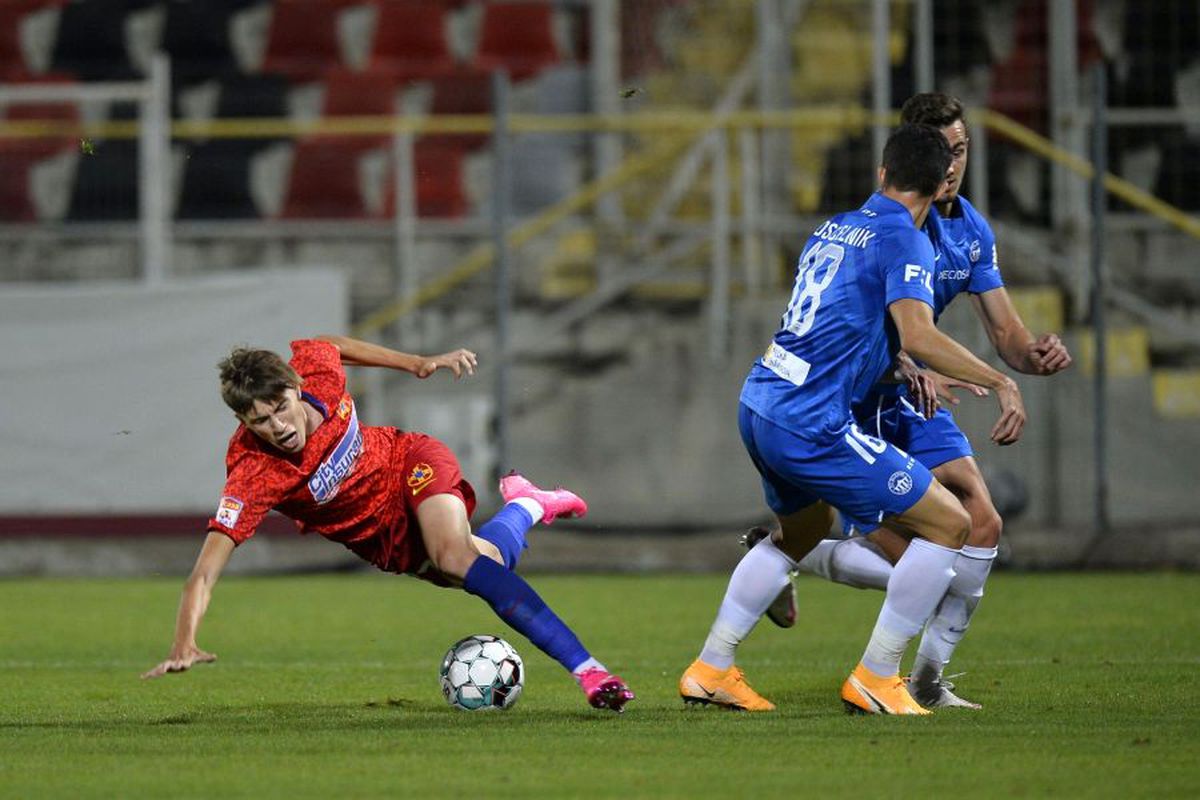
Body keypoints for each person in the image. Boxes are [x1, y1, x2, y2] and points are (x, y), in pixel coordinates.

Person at [679, 123, 1028, 715]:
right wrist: (999, 380)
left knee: (802, 532)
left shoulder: (837, 225)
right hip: (810, 420)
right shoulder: (907, 241)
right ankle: (878, 676)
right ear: (942, 179)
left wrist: (893, 361)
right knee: (949, 523)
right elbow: (920, 331)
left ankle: (711, 669)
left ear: (882, 173)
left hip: (761, 399)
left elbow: (841, 321)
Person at [745, 92, 1072, 710]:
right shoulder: (887, 226)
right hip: (858, 399)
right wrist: (906, 360)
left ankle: (925, 680)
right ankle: (800, 558)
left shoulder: (969, 228)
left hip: (915, 391)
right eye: (945, 153)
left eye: (964, 150)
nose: (954, 167)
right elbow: (850, 319)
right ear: (917, 159)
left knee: (982, 521)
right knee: (917, 558)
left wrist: (1033, 357)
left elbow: (1006, 334)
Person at [141, 335, 635, 713]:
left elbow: (333, 345)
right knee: (485, 562)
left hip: (408, 462)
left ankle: (591, 672)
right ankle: (527, 506)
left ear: (295, 388)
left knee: (455, 557)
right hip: (382, 540)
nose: (279, 427)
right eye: (261, 422)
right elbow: (204, 570)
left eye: (281, 409)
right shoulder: (253, 474)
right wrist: (184, 639)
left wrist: (416, 363)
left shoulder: (315, 372)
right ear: (243, 423)